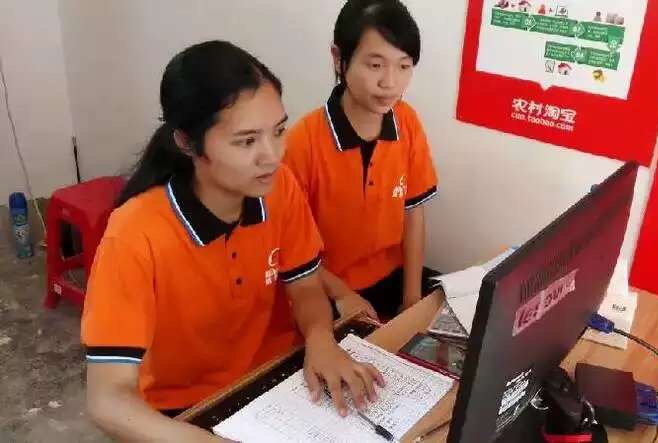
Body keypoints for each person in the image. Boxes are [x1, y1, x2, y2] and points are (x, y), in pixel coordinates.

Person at [81, 40, 383, 442]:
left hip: (277, 379)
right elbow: (107, 400)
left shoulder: (278, 188)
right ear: (187, 142)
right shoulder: (135, 233)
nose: (272, 156)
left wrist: (320, 339)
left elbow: (306, 285)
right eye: (246, 141)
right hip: (185, 411)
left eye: (278, 131)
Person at [284, 0, 439, 321]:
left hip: (394, 276)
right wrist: (342, 295)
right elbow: (288, 247)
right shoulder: (303, 142)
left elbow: (413, 212)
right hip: (326, 288)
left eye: (404, 66)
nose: (390, 82)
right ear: (339, 58)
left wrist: (411, 298)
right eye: (375, 65)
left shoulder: (406, 121)